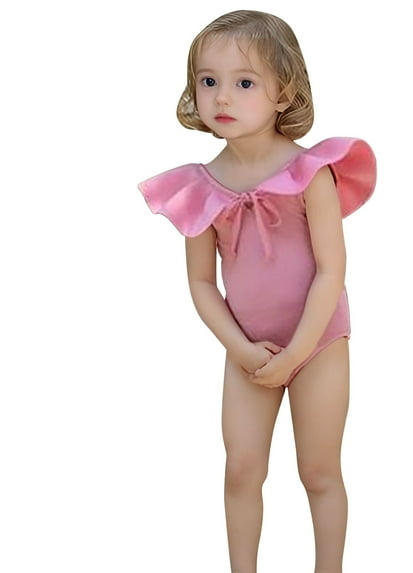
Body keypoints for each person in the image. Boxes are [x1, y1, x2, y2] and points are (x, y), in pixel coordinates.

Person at [138, 9, 376, 572]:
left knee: (319, 470)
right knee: (241, 469)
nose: (222, 96)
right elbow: (201, 283)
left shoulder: (310, 172)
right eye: (208, 80)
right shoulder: (199, 187)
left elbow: (331, 270)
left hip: (318, 343)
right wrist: (242, 350)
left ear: (283, 93)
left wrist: (297, 352)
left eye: (244, 82)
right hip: (247, 349)